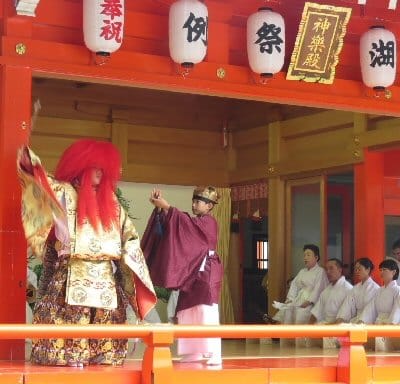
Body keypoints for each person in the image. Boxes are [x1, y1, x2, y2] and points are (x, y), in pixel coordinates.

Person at [17, 140, 156, 366]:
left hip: (106, 278)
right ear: (81, 166)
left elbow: (129, 237)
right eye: (96, 167)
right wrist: (29, 162)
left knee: (105, 329)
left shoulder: (112, 204)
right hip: (71, 273)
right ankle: (71, 359)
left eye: (105, 168)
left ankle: (100, 357)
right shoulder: (64, 193)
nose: (101, 173)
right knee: (69, 322)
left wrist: (130, 262)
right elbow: (41, 182)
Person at [141, 186, 223, 365]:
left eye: (198, 202)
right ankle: (192, 352)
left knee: (205, 312)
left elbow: (185, 224)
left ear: (209, 206)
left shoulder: (209, 222)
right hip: (193, 273)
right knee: (187, 311)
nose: (194, 204)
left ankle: (213, 352)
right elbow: (178, 227)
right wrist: (162, 209)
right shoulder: (195, 221)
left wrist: (169, 207)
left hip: (207, 272)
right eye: (193, 201)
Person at [273, 244, 328, 324]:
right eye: (304, 255)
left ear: (316, 257)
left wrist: (309, 301)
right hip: (299, 298)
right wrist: (290, 299)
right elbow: (294, 286)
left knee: (300, 314)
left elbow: (318, 289)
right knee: (287, 310)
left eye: (308, 255)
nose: (305, 258)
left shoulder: (320, 271)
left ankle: (301, 336)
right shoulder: (302, 271)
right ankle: (278, 324)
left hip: (311, 303)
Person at [336, 258, 379, 323]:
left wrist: (361, 321)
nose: (357, 271)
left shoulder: (375, 288)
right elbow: (347, 305)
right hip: (356, 320)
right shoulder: (355, 288)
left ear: (368, 270)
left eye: (359, 269)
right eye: (355, 269)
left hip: (368, 322)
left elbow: (371, 311)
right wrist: (341, 318)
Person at [310, 258, 353, 324]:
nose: (328, 272)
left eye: (331, 268)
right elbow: (316, 311)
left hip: (338, 328)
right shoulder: (326, 290)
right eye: (326, 269)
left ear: (340, 270)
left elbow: (344, 317)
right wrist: (308, 327)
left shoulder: (349, 289)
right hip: (323, 325)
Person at [358, 259, 400, 325]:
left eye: (384, 270)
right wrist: (362, 320)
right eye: (380, 270)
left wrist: (391, 324)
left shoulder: (398, 290)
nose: (381, 272)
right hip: (378, 323)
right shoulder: (379, 290)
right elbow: (371, 308)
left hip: (390, 326)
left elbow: (397, 310)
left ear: (394, 272)